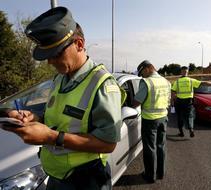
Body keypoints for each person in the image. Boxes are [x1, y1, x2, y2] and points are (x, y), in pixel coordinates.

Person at [1, 6, 124, 190]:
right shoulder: (60, 78)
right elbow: (58, 114)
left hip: (86, 180)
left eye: (56, 53)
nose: (50, 62)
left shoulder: (103, 85)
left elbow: (108, 144)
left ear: (80, 44)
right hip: (56, 176)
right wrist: (35, 118)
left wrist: (51, 137)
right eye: (47, 56)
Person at [132, 60, 171, 183]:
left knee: (150, 148)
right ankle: (161, 173)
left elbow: (136, 102)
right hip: (163, 117)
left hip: (150, 119)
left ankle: (150, 175)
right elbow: (169, 100)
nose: (141, 75)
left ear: (148, 68)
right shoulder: (166, 81)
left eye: (142, 72)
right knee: (161, 146)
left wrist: (132, 103)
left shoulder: (147, 82)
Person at [171, 66, 211, 138]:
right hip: (188, 101)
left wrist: (172, 102)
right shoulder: (191, 80)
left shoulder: (177, 81)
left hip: (179, 102)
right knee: (190, 116)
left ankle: (181, 133)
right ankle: (191, 129)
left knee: (180, 117)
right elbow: (204, 83)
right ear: (187, 72)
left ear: (181, 72)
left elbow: (172, 92)